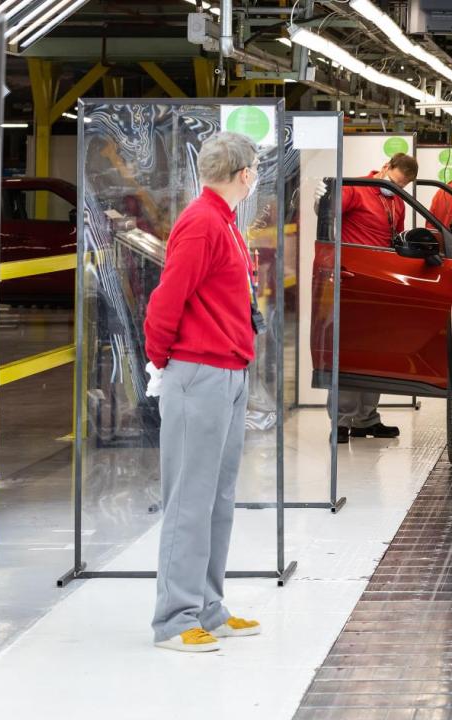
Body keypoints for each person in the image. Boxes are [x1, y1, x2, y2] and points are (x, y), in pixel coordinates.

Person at [143, 132, 265, 652]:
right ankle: (174, 619)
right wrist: (160, 360)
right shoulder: (201, 223)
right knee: (190, 500)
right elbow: (165, 301)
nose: (256, 175)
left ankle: (208, 607)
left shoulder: (224, 221)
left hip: (228, 371)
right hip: (199, 373)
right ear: (244, 174)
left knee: (217, 499)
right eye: (255, 168)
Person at [333, 152, 419, 442]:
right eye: (394, 182)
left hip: (380, 285)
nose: (396, 188)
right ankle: (341, 422)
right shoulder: (356, 188)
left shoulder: (397, 201)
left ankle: (366, 419)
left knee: (375, 353)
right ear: (385, 167)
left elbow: (396, 239)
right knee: (350, 352)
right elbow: (328, 215)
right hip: (353, 282)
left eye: (402, 186)